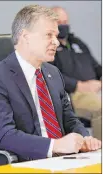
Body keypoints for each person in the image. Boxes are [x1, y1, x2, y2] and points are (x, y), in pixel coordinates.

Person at [0, 5, 101, 167]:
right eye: (49, 35)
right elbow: (4, 135)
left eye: (56, 36)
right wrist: (55, 146)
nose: (56, 42)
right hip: (24, 163)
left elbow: (69, 120)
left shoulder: (53, 73)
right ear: (25, 36)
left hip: (63, 161)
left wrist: (85, 139)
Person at [51, 7, 102, 140]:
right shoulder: (50, 47)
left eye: (65, 21)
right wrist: (79, 85)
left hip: (97, 90)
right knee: (100, 108)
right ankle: (98, 151)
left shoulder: (77, 43)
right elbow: (51, 75)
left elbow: (97, 67)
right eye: (59, 22)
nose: (63, 25)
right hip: (74, 95)